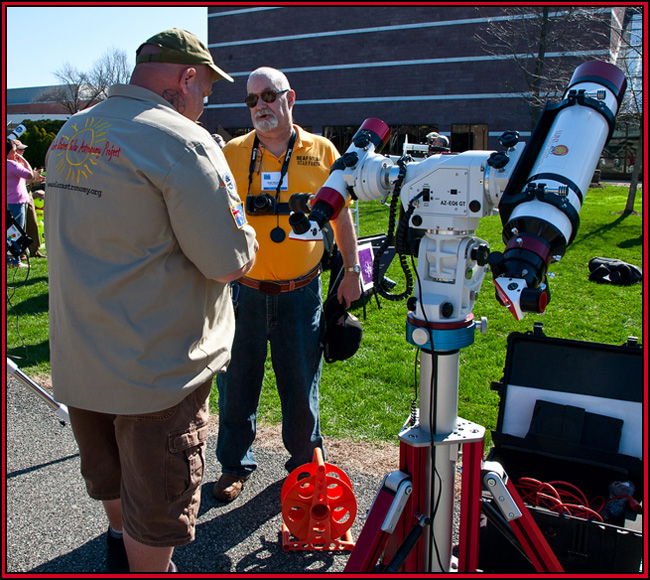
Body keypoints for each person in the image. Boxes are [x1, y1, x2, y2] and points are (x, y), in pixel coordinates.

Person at [44, 29, 257, 573]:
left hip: (81, 355)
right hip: (154, 366)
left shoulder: (72, 132)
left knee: (112, 480)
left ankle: (121, 549)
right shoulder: (181, 141)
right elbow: (230, 260)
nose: (204, 104)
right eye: (206, 91)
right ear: (187, 78)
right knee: (157, 507)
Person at [213, 66, 363, 503]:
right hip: (244, 292)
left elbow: (341, 218)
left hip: (303, 292)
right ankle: (234, 465)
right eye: (251, 100)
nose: (259, 106)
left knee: (301, 382)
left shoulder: (322, 150)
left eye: (267, 96)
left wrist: (353, 271)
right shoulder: (233, 153)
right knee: (237, 382)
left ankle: (304, 462)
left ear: (289, 97)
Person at [6, 139, 44, 266]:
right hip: (16, 202)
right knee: (16, 232)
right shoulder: (12, 165)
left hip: (9, 201)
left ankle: (9, 259)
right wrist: (23, 160)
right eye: (14, 151)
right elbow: (29, 175)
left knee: (9, 232)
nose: (16, 153)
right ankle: (15, 260)